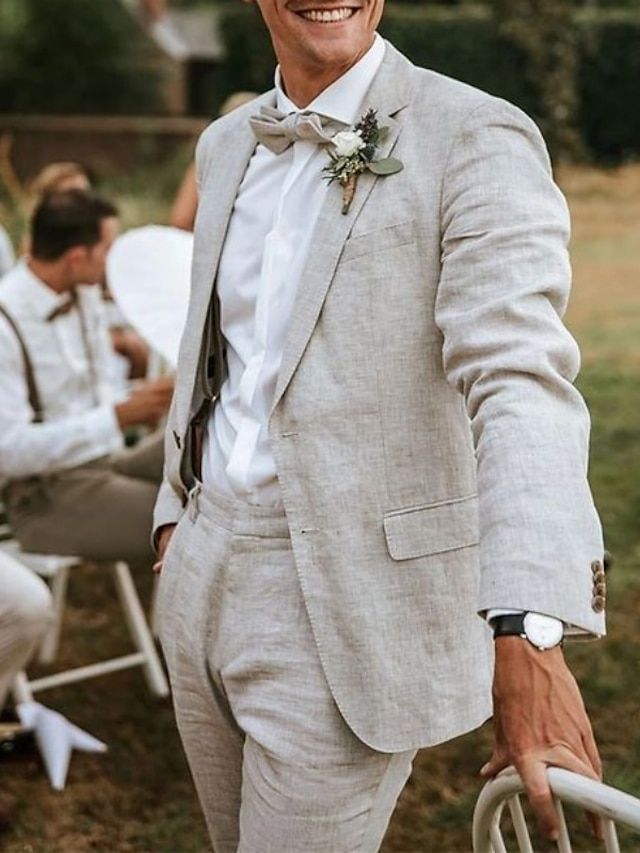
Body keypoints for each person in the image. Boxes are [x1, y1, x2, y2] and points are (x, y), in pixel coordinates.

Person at [153, 2, 606, 849]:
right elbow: (217, 350)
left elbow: (519, 380)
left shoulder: (475, 135)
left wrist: (531, 625)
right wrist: (174, 517)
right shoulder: (226, 146)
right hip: (201, 570)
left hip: (343, 595)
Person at [0, 189, 173, 563]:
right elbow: (9, 452)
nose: (115, 260)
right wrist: (118, 416)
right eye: (109, 248)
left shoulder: (84, 293)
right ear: (77, 257)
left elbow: (95, 400)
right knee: (188, 519)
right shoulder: (5, 322)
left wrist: (148, 396)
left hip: (103, 463)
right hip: (43, 497)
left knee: (193, 450)